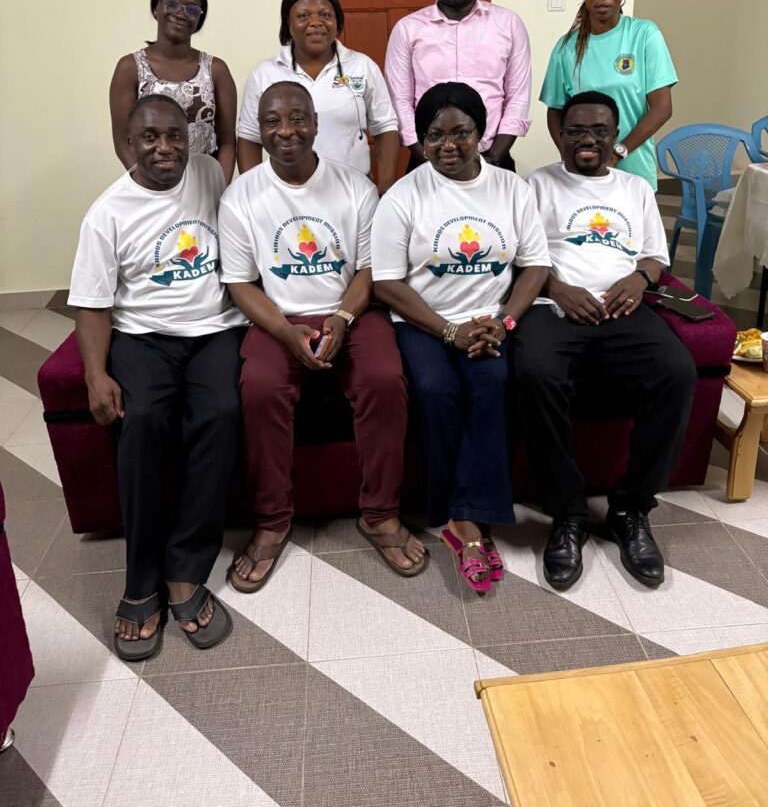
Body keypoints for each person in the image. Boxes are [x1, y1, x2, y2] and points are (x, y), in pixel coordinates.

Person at [219, 81, 426, 590]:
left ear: (315, 123)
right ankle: (272, 520)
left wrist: (343, 318)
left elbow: (370, 269)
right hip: (277, 317)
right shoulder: (241, 195)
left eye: (297, 119)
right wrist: (285, 332)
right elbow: (240, 283)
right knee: (259, 388)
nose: (285, 131)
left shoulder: (355, 187)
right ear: (259, 130)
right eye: (272, 122)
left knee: (384, 378)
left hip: (351, 312)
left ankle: (380, 513)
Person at [69, 94, 245, 661]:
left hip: (215, 329)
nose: (165, 147)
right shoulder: (107, 213)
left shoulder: (210, 174)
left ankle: (185, 570)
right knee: (141, 420)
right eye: (150, 137)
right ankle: (141, 577)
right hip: (143, 336)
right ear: (129, 144)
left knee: (221, 412)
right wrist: (95, 374)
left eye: (175, 135)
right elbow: (92, 303)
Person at [371, 82, 550, 595]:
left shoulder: (511, 189)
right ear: (421, 140)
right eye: (434, 136)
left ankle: (465, 518)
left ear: (482, 132)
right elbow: (387, 282)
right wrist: (449, 330)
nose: (448, 146)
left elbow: (536, 265)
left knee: (492, 382)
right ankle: (460, 517)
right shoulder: (404, 195)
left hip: (490, 320)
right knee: (435, 389)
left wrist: (505, 321)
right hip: (423, 320)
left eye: (460, 133)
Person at [514, 91, 697, 591]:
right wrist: (556, 288)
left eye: (599, 131)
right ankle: (567, 514)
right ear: (561, 135)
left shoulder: (635, 188)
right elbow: (521, 258)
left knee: (677, 371)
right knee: (535, 372)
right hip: (555, 307)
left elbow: (654, 257)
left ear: (616, 137)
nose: (587, 140)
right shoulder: (535, 185)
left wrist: (639, 280)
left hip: (624, 307)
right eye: (576, 131)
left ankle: (631, 510)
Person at [385, 0, 532, 171]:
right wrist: (428, 157)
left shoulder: (509, 24)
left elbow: (518, 97)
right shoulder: (407, 30)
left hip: (493, 158)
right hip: (427, 160)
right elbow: (400, 101)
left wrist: (493, 159)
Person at [237, 0, 400, 194]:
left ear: (337, 21)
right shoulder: (264, 75)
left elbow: (385, 127)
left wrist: (386, 186)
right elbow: (249, 138)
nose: (316, 22)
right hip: (286, 195)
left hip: (354, 193)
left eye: (325, 15)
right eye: (303, 16)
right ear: (288, 24)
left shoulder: (362, 66)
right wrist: (254, 192)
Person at [539, 0, 677, 191]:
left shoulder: (644, 35)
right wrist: (569, 158)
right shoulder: (566, 48)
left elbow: (662, 108)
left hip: (634, 172)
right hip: (583, 176)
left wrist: (617, 153)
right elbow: (555, 112)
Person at [110, 0, 237, 183]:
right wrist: (149, 185)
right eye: (171, 3)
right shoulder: (129, 68)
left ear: (199, 19)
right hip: (151, 186)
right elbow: (123, 142)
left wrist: (218, 189)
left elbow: (227, 144)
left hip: (203, 186)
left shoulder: (216, 70)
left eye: (192, 9)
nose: (181, 13)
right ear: (155, 8)